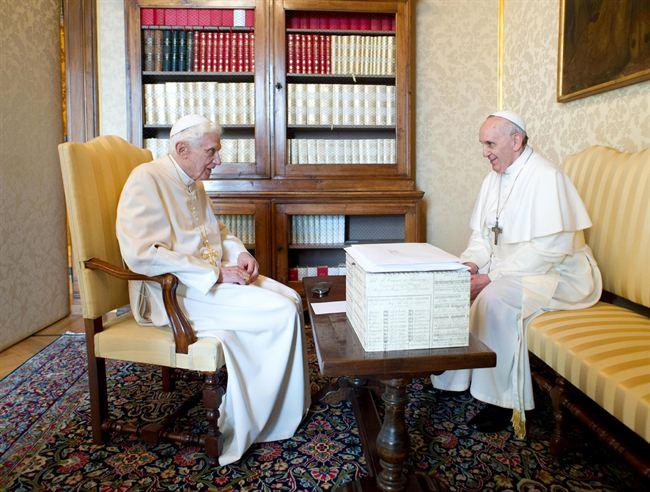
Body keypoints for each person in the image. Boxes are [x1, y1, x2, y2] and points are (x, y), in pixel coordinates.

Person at [116, 114, 311, 465]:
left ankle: (287, 405)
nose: (218, 161)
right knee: (280, 312)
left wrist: (241, 253)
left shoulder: (191, 180)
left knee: (293, 299)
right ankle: (264, 420)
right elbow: (141, 254)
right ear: (181, 149)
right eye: (211, 152)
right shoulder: (146, 180)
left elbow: (216, 231)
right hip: (170, 294)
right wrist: (215, 274)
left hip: (205, 281)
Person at [431, 111, 602, 437]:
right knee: (456, 281)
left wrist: (491, 278)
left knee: (494, 298)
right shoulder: (492, 179)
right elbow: (482, 238)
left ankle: (501, 402)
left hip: (558, 274)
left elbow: (549, 251)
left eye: (490, 143)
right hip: (514, 270)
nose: (485, 152)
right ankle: (454, 377)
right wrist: (471, 266)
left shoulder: (546, 177)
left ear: (516, 140)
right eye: (483, 144)